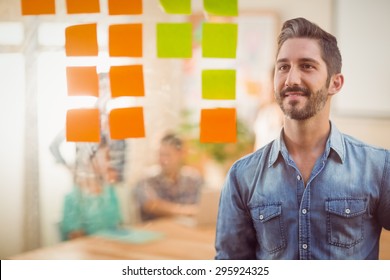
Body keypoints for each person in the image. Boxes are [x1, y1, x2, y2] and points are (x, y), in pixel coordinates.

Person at [215, 17, 390, 260]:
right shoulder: (241, 176)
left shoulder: (378, 167)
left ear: (335, 82)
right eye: (283, 67)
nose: (291, 79)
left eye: (307, 66)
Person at [57, 138, 123, 240]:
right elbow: (77, 238)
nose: (109, 163)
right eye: (107, 157)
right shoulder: (73, 198)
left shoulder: (110, 191)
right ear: (89, 159)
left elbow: (117, 227)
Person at [135, 133, 203, 221]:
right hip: (158, 229)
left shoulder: (193, 178)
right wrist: (188, 211)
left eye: (167, 155)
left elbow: (207, 201)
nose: (162, 160)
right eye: (160, 155)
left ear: (181, 154)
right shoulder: (148, 179)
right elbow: (151, 205)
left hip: (189, 228)